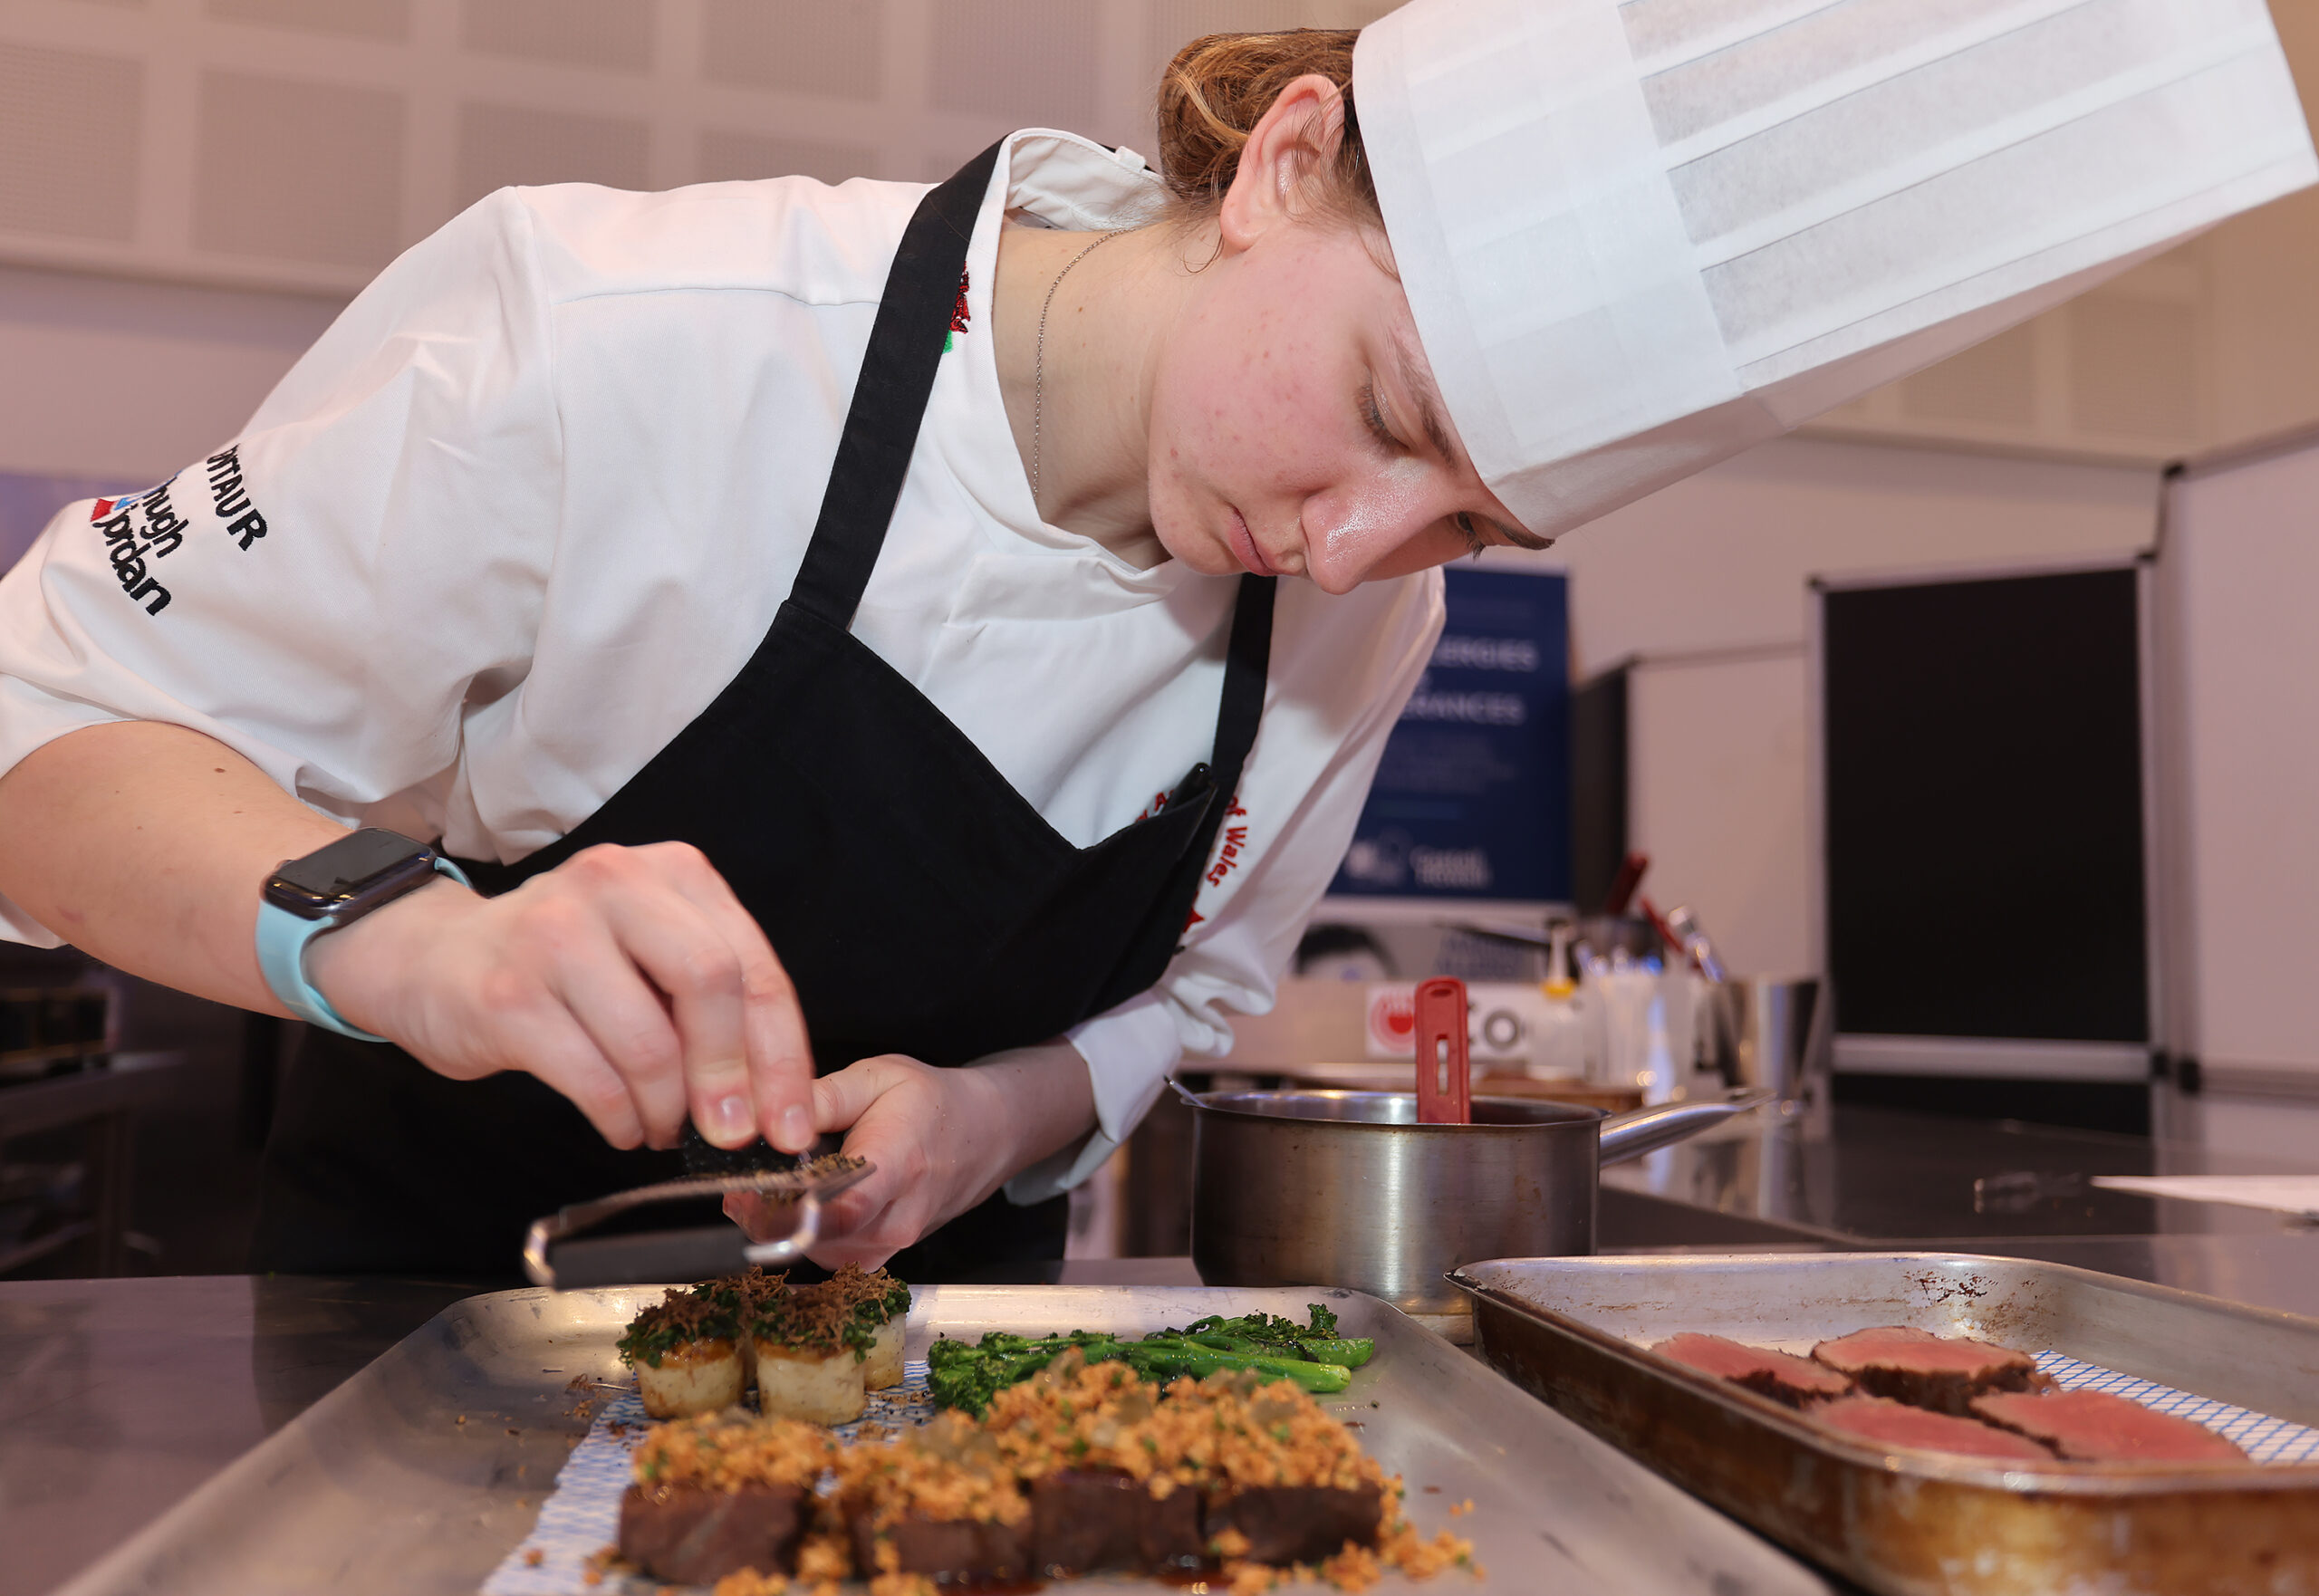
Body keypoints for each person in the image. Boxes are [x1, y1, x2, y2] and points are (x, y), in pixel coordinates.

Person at [0, 3, 2305, 1278]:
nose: (1361, 544)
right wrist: (420, 946)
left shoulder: (1356, 612)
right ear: (1284, 158)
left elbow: (1194, 1002)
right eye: (1387, 412)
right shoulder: (629, 337)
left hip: (944, 1412)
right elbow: (46, 716)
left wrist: (989, 1112)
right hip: (426, 1341)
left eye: (1468, 521)